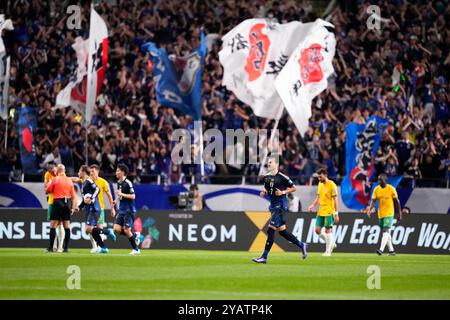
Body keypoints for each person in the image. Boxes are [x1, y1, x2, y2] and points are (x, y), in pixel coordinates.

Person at [252, 155, 307, 264]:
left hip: (280, 206)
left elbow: (294, 188)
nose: (269, 164)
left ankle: (264, 257)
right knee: (282, 232)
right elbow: (266, 188)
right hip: (273, 206)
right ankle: (301, 245)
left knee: (270, 229)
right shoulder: (266, 177)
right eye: (268, 162)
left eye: (271, 162)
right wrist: (263, 192)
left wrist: (282, 192)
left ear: (277, 164)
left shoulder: (282, 177)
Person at [364, 174, 406, 256]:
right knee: (386, 233)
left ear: (385, 180)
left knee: (385, 231)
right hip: (381, 214)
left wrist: (399, 213)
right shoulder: (376, 189)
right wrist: (369, 210)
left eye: (380, 180)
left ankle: (381, 250)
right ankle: (392, 251)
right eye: (378, 180)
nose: (379, 181)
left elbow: (397, 201)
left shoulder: (391, 189)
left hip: (389, 213)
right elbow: (373, 201)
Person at [77, 165, 115, 253]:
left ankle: (107, 233)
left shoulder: (93, 181)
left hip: (97, 208)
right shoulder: (85, 182)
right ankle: (102, 247)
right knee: (91, 230)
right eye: (91, 171)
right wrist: (79, 207)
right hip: (90, 208)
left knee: (90, 229)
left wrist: (112, 208)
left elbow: (97, 190)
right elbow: (85, 199)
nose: (92, 173)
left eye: (79, 171)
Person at [45, 164, 78, 253]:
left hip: (57, 202)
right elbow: (73, 196)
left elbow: (47, 190)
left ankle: (51, 248)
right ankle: (66, 248)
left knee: (53, 226)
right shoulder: (69, 181)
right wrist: (74, 207)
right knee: (66, 226)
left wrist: (50, 187)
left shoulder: (55, 179)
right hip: (67, 203)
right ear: (64, 171)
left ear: (57, 171)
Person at [308, 168, 339, 257]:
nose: (319, 179)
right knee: (317, 230)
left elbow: (336, 200)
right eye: (318, 177)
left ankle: (328, 251)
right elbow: (318, 197)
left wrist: (336, 213)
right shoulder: (320, 184)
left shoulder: (332, 185)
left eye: (320, 177)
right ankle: (331, 242)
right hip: (321, 211)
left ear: (325, 175)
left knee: (327, 230)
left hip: (329, 211)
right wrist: (313, 205)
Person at [113, 164, 140, 255]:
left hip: (129, 210)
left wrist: (122, 194)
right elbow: (119, 194)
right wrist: (115, 201)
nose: (116, 172)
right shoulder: (118, 182)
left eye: (118, 171)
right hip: (121, 210)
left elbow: (133, 196)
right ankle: (135, 235)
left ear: (123, 172)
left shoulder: (128, 183)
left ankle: (136, 249)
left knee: (126, 230)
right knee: (116, 229)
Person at [44, 163, 64, 252]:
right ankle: (54, 246)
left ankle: (60, 246)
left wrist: (51, 185)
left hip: (60, 201)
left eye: (53, 171)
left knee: (60, 224)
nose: (52, 173)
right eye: (50, 171)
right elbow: (46, 188)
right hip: (52, 202)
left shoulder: (61, 175)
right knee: (52, 225)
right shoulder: (47, 174)